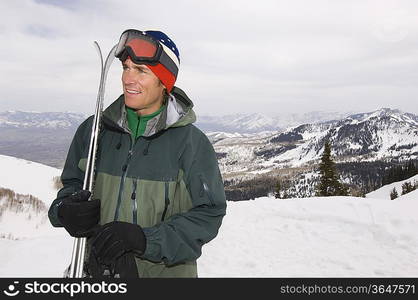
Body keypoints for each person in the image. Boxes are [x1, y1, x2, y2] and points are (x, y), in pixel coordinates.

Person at [48, 29, 227, 278]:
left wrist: (145, 240)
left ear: (164, 81)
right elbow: (70, 188)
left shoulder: (191, 144)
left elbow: (208, 215)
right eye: (126, 67)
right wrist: (65, 210)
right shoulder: (94, 130)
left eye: (141, 70)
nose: (127, 78)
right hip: (96, 272)